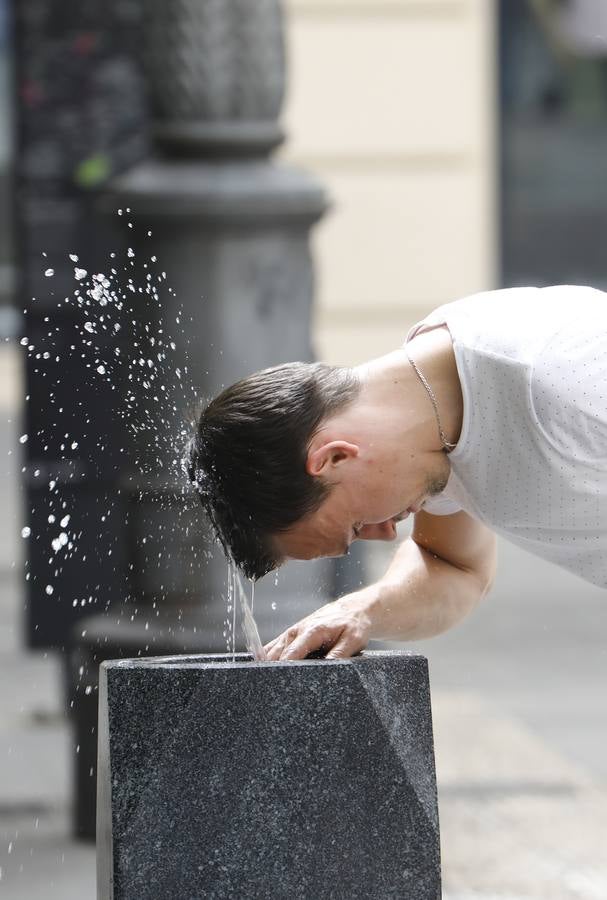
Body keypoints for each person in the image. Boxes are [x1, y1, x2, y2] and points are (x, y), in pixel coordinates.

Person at [185, 285, 607, 661]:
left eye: (355, 526)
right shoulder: (431, 437)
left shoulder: (560, 375)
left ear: (334, 458)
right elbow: (453, 565)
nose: (386, 534)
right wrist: (362, 610)